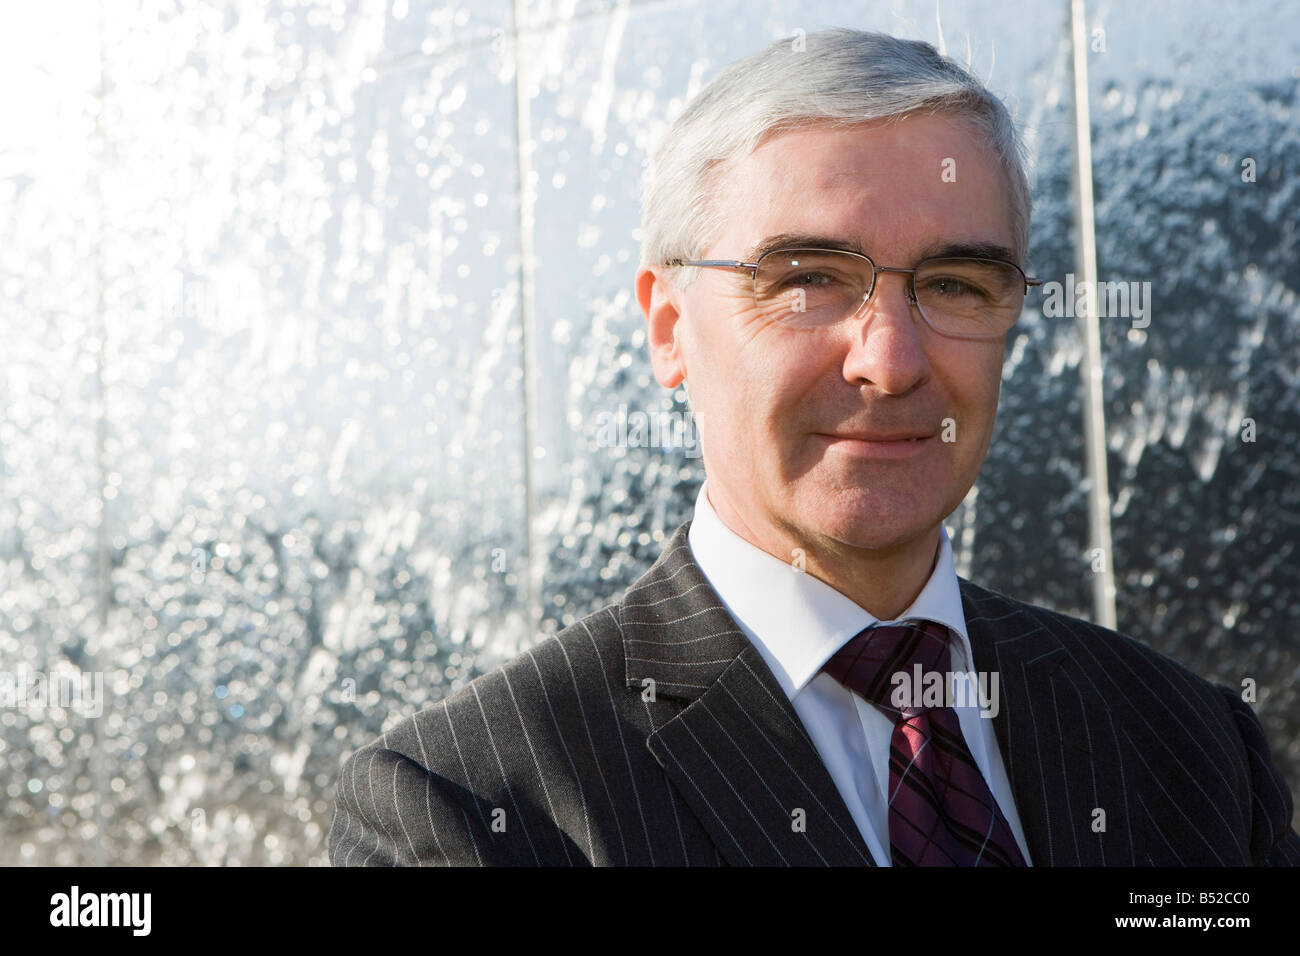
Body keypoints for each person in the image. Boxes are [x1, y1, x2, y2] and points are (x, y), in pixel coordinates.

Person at [328, 28, 1299, 866]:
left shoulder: (1192, 745)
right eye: (807, 279)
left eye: (956, 283)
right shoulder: (473, 801)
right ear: (668, 329)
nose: (890, 360)